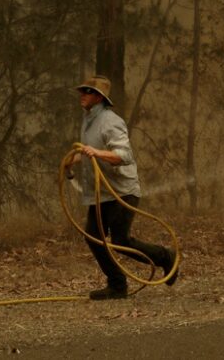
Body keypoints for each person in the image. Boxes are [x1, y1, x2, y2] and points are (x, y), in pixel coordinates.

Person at [67, 75, 178, 300]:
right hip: (101, 194)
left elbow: (123, 156)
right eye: (83, 91)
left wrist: (96, 153)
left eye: (87, 92)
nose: (82, 95)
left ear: (98, 97)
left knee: (120, 241)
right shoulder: (88, 119)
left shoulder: (110, 121)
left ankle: (166, 257)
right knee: (93, 237)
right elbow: (89, 152)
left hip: (122, 191)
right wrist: (71, 161)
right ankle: (117, 285)